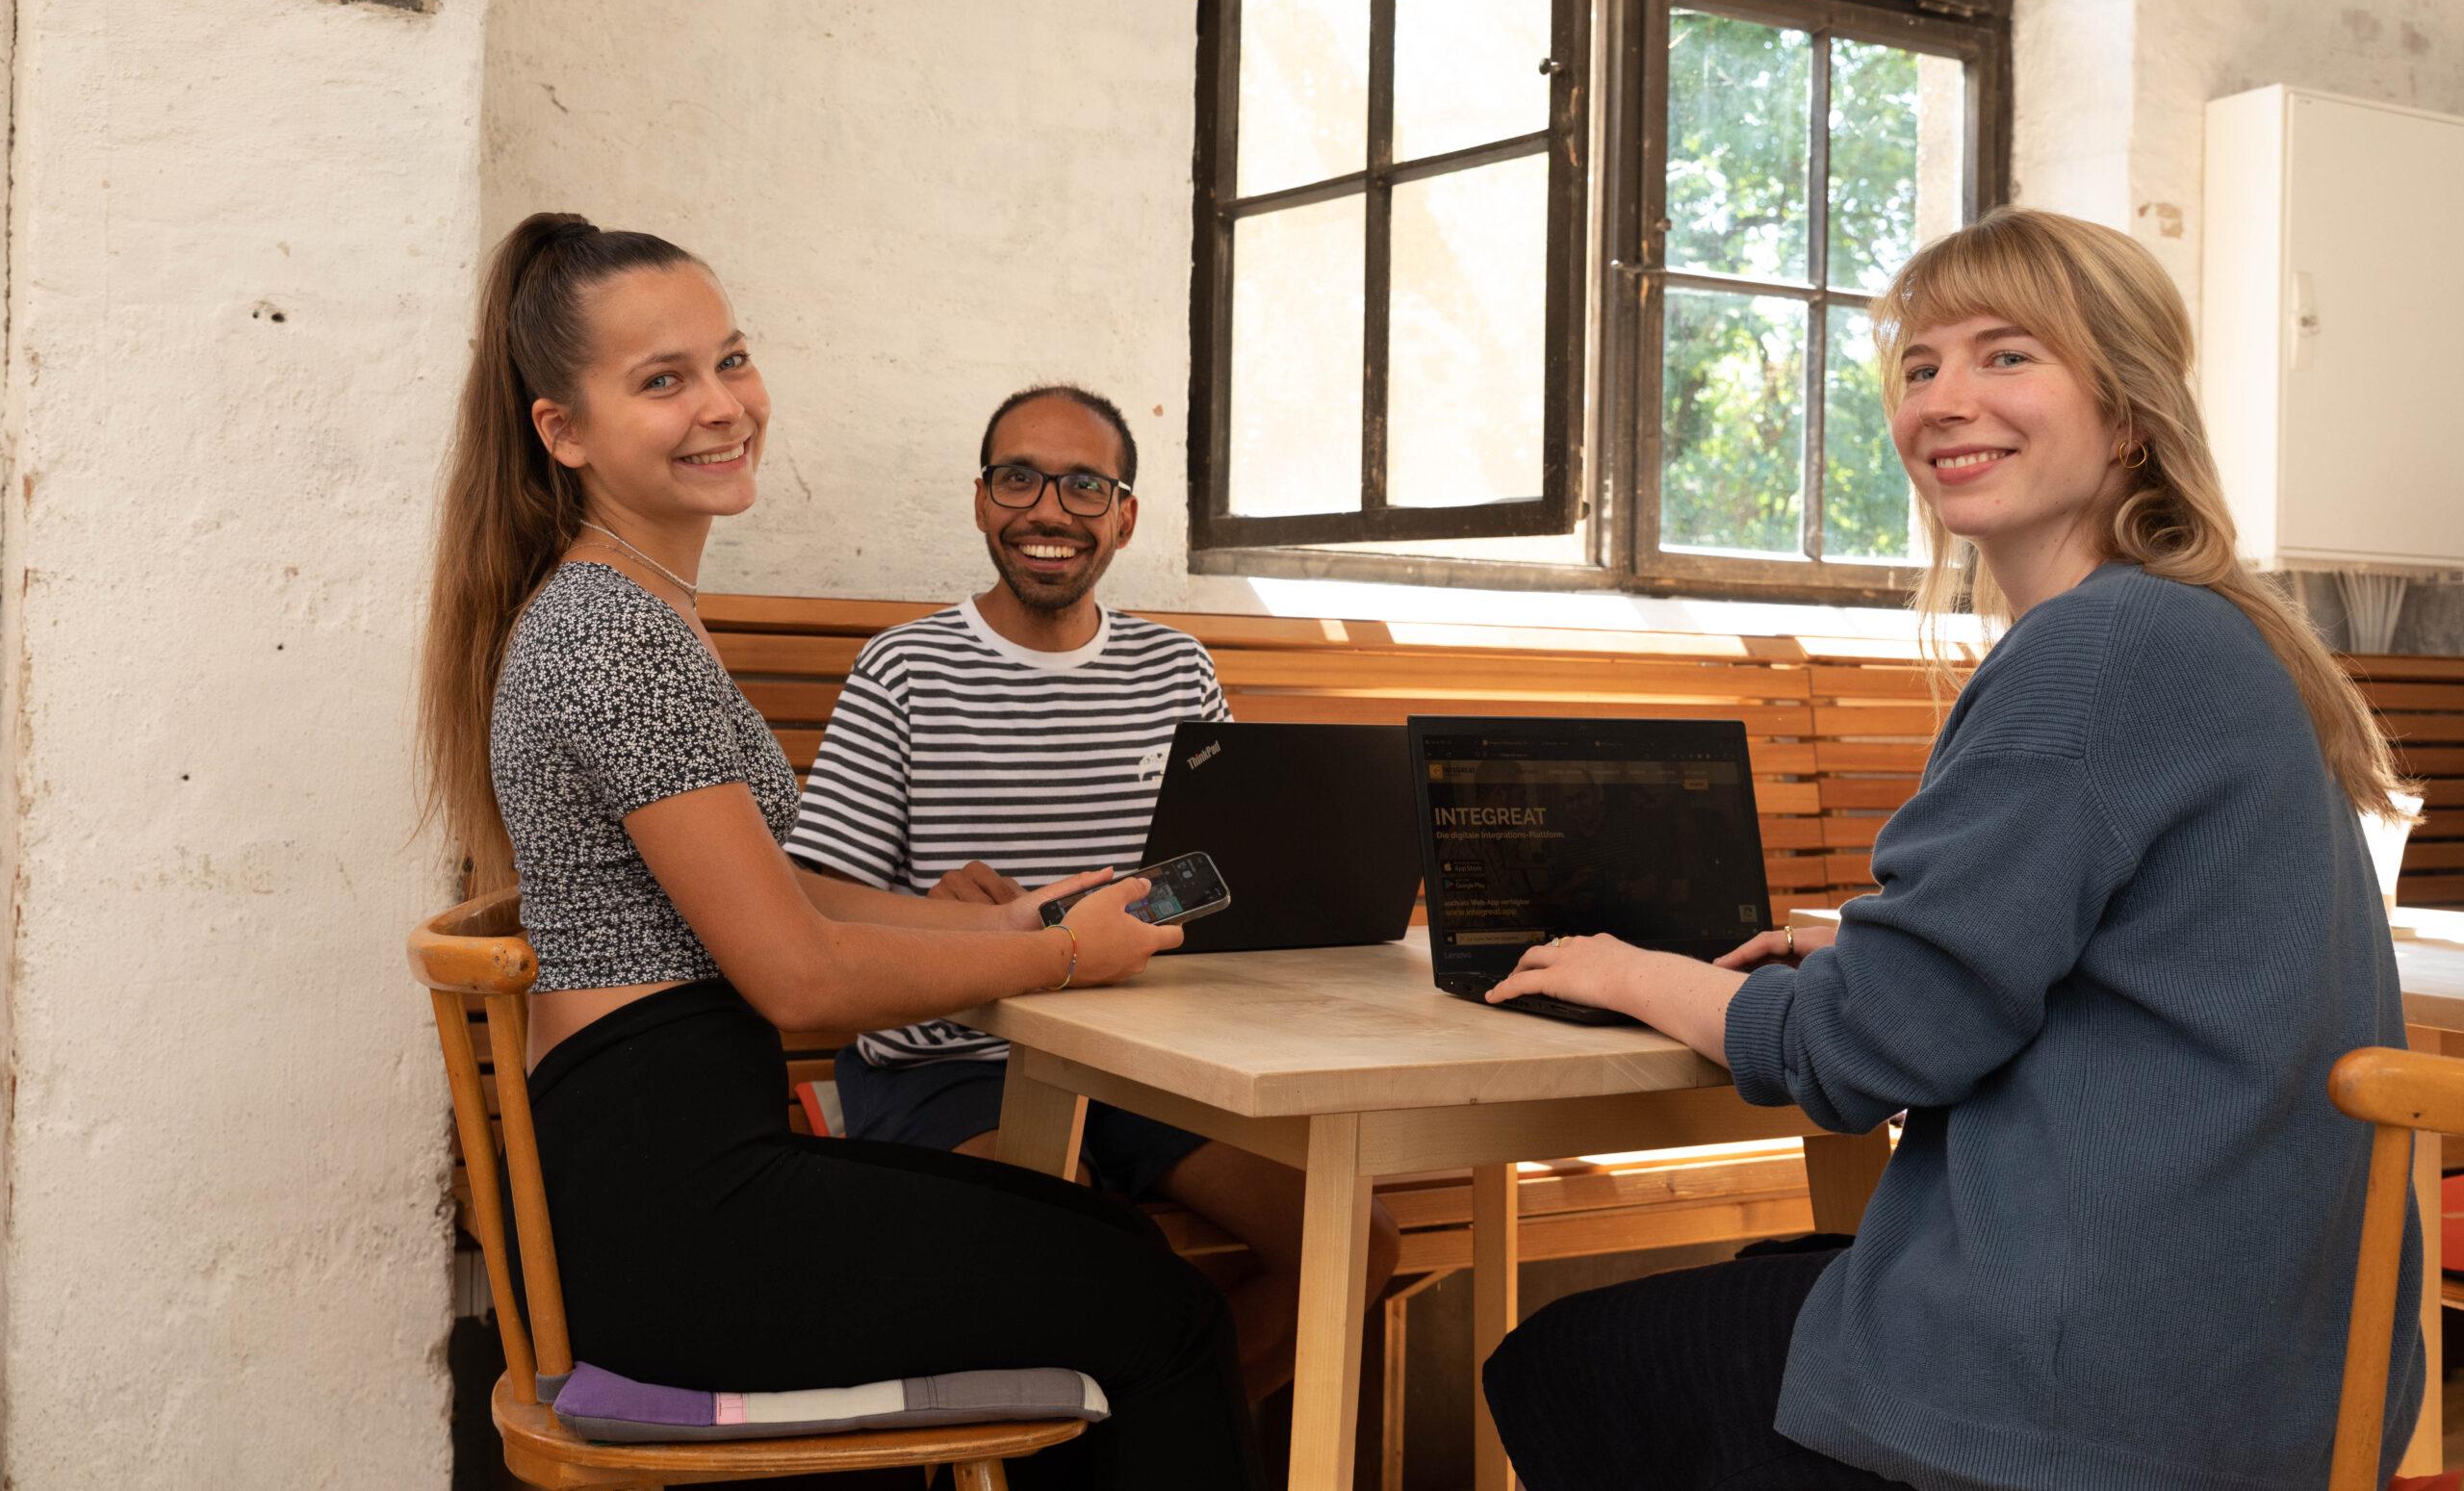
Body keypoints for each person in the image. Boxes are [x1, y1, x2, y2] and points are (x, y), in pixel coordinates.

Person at [1474, 207, 2422, 1491]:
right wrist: (1866, 942)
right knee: (1782, 1277)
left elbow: (1866, 1051)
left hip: (2099, 1386)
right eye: (1920, 367)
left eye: (2007, 354)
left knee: (1562, 1360)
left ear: (2130, 411)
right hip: (2256, 1367)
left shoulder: (2095, 647)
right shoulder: (2207, 631)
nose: (1945, 398)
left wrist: (1629, 969)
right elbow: (2106, 948)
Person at [414, 214, 1266, 1490]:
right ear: (564, 431)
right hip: (676, 1217)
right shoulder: (612, 632)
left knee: (1115, 1251)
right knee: (1163, 1313)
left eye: (730, 358)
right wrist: (1062, 961)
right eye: (663, 380)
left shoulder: (634, 605)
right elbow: (799, 976)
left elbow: (784, 887)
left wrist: (1027, 916)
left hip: (676, 1169)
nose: (722, 404)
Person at [785, 382, 1400, 1404]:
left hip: (1151, 1064)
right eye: (1017, 478)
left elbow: (1223, 882)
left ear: (1123, 516)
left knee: (1356, 1240)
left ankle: (1152, 1448)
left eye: (1083, 484)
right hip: (953, 1062)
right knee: (1081, 1258)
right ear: (982, 502)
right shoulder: (904, 669)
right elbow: (813, 895)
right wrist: (956, 919)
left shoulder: (1175, 670)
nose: (1048, 510)